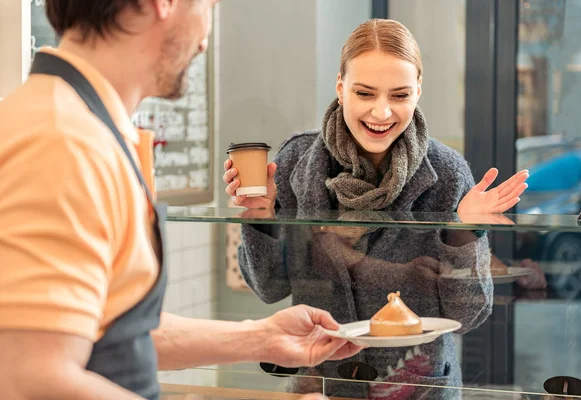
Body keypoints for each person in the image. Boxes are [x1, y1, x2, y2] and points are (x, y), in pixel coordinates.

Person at [0, 1, 362, 400]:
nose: (205, 40)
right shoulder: (62, 141)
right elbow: (30, 378)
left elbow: (114, 332)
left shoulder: (82, 127)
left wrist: (261, 336)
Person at [224, 19, 529, 399]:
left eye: (399, 95)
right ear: (340, 87)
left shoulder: (449, 173)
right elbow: (269, 288)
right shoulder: (297, 161)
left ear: (419, 89)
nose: (381, 113)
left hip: (416, 384)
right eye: (365, 93)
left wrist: (463, 231)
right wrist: (260, 215)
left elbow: (467, 316)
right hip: (321, 384)